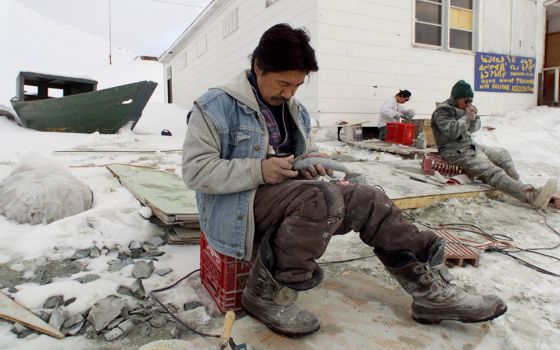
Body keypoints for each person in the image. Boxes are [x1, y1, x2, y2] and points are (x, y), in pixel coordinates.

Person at [183, 24, 507, 337]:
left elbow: (303, 154)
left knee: (368, 198)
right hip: (238, 210)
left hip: (289, 199)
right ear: (258, 66)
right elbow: (195, 171)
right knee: (321, 198)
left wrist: (308, 165)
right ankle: (267, 294)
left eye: (296, 85)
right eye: (283, 83)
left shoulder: (295, 109)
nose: (289, 92)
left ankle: (429, 292)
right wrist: (258, 171)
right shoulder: (215, 107)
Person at [431, 80, 557, 209]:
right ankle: (530, 196)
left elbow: (472, 130)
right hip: (453, 151)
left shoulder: (462, 108)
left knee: (503, 155)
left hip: (469, 146)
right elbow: (452, 132)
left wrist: (474, 118)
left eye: (471, 100)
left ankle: (517, 187)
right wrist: (466, 118)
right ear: (456, 98)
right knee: (491, 171)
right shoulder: (443, 111)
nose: (468, 103)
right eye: (466, 100)